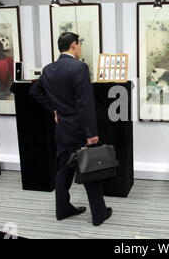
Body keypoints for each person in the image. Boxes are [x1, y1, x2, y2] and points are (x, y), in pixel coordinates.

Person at [30, 32, 112, 225]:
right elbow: (85, 103)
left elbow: (34, 90)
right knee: (90, 168)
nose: (80, 48)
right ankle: (99, 214)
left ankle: (62, 209)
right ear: (74, 45)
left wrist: (54, 110)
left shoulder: (48, 69)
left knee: (63, 170)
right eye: (79, 44)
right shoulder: (79, 67)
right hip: (79, 129)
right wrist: (91, 133)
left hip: (62, 129)